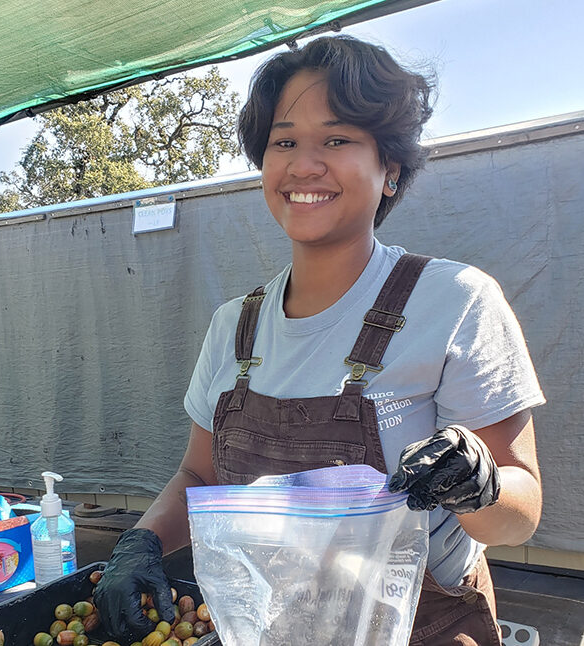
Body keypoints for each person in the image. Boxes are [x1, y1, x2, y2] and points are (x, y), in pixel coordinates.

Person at [95, 35, 544, 645]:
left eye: (337, 140)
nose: (304, 166)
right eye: (285, 142)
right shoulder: (234, 325)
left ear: (390, 169)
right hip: (268, 629)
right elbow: (199, 477)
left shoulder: (456, 301)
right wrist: (140, 544)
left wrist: (479, 482)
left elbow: (519, 516)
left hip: (421, 629)